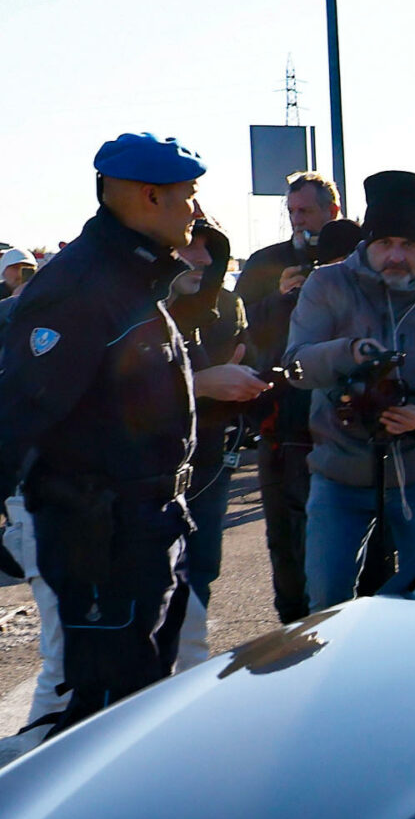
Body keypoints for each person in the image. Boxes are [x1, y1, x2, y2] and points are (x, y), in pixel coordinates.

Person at [0, 134, 260, 734]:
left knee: (139, 696)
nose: (195, 210)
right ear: (149, 197)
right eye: (188, 195)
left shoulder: (131, 278)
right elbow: (22, 406)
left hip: (145, 523)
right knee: (101, 716)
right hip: (99, 535)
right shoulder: (83, 287)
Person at [286, 170, 415, 611]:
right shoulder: (326, 285)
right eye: (385, 243)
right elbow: (296, 367)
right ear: (366, 242)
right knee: (326, 606)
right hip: (337, 474)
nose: (396, 255)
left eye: (409, 245)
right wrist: (348, 353)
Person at [234, 171, 341, 622]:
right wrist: (280, 298)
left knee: (340, 527)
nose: (298, 221)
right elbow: (240, 333)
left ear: (331, 212)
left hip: (343, 423)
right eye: (292, 212)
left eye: (307, 211)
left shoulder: (352, 257)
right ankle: (292, 622)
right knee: (285, 533)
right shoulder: (265, 263)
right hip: (282, 423)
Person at [163, 216, 265, 668]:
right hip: (151, 471)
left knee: (201, 567)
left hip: (211, 453)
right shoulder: (133, 308)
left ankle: (181, 677)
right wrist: (202, 382)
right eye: (189, 248)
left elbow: (245, 355)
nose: (200, 259)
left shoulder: (225, 304)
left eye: (209, 252)